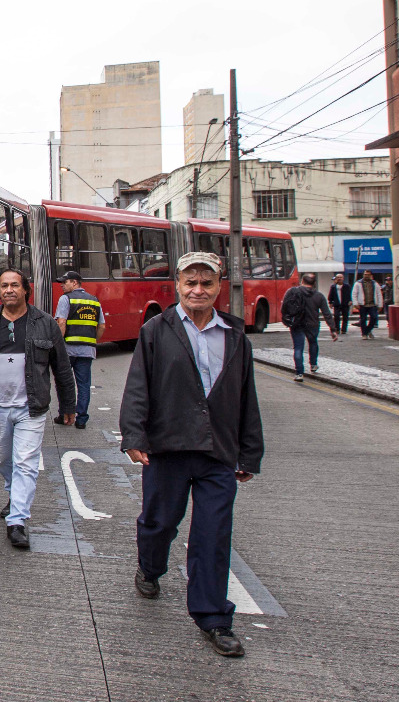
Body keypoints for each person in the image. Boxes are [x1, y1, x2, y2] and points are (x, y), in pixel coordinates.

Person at [119, 251, 263, 658]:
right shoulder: (155, 330)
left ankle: (214, 617)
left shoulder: (234, 335)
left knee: (213, 535)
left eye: (207, 283)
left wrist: (249, 452)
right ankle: (150, 567)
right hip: (168, 447)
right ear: (178, 286)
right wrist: (134, 435)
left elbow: (245, 396)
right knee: (159, 521)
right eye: (191, 283)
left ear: (219, 287)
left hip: (218, 450)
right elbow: (137, 387)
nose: (198, 290)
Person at [0, 268, 76, 550]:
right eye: (4, 286)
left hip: (32, 407)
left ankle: (17, 521)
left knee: (26, 463)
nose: (9, 290)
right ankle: (14, 495)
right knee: (5, 461)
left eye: (15, 285)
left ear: (26, 289)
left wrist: (68, 405)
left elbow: (61, 368)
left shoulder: (45, 323)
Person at [52, 270, 105, 429]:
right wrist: (92, 341)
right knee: (83, 385)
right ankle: (81, 419)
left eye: (65, 282)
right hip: (87, 351)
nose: (62, 285)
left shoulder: (66, 299)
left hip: (68, 350)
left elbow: (61, 322)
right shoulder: (94, 301)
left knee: (64, 383)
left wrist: (58, 346)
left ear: (74, 283)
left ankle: (65, 414)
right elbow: (101, 325)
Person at [280, 272, 337, 381]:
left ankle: (299, 373)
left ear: (302, 281)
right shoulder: (319, 296)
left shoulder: (293, 292)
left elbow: (284, 307)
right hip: (313, 324)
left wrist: (286, 320)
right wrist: (332, 329)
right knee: (313, 343)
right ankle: (313, 365)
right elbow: (327, 313)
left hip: (297, 323)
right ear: (314, 283)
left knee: (298, 348)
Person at [352, 270, 383, 339]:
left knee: (374, 318)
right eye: (365, 274)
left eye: (368, 274)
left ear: (371, 275)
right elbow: (354, 293)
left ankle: (368, 330)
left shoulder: (375, 283)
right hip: (362, 304)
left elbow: (379, 294)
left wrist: (380, 305)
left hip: (372, 304)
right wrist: (355, 303)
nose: (366, 276)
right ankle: (364, 334)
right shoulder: (358, 283)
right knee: (363, 319)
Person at [327, 273, 350, 338]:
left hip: (345, 304)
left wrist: (350, 301)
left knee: (345, 317)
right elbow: (330, 295)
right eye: (338, 277)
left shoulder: (347, 286)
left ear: (343, 278)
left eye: (341, 277)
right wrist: (330, 302)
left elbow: (349, 294)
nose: (339, 279)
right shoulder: (333, 287)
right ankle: (337, 329)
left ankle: (344, 330)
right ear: (336, 279)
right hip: (336, 304)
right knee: (336, 316)